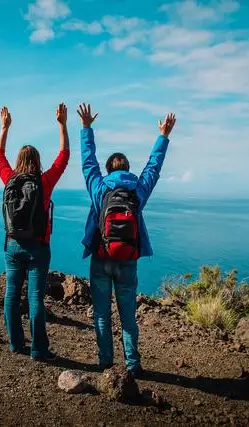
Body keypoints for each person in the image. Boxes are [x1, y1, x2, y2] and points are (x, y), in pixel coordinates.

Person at [77, 103, 176, 375]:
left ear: (107, 170)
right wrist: (163, 136)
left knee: (101, 314)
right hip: (128, 260)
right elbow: (153, 167)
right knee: (128, 318)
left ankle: (105, 362)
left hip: (101, 256)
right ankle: (132, 365)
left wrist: (86, 128)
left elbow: (88, 162)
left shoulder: (99, 188)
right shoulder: (138, 191)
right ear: (129, 169)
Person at [0, 103, 70, 361]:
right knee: (35, 298)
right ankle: (39, 350)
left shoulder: (10, 179)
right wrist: (62, 124)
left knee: (11, 295)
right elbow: (64, 156)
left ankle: (16, 344)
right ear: (38, 162)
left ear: (19, 162)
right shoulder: (45, 182)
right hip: (39, 246)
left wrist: (4, 128)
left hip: (13, 244)